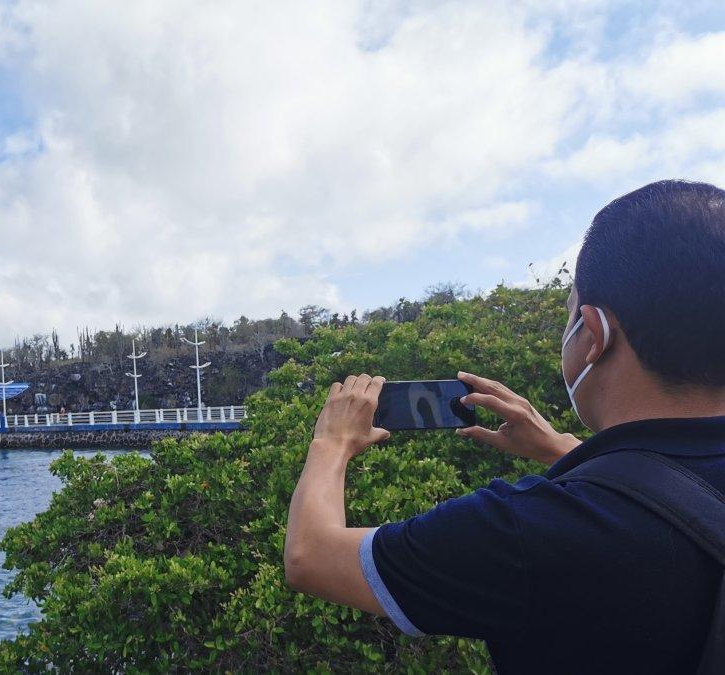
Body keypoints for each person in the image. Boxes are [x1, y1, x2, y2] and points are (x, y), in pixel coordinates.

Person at [284, 180, 725, 673]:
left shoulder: (529, 530)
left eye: (568, 320)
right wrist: (564, 449)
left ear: (594, 336)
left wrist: (331, 442)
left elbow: (313, 556)